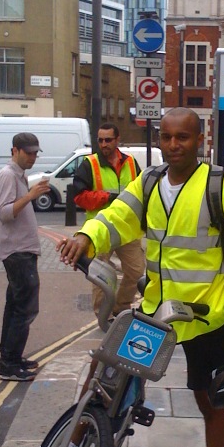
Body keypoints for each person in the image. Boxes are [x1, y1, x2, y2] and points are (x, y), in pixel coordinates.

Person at [60, 107, 224, 447]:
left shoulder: (221, 187)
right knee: (107, 371)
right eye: (167, 137)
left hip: (206, 315)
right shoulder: (150, 181)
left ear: (200, 140)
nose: (174, 145)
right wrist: (87, 235)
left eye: (183, 137)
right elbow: (117, 218)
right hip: (158, 308)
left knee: (210, 401)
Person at [0, 132, 51, 382]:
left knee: (15, 306)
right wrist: (30, 195)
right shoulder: (7, 175)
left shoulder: (18, 174)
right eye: (28, 153)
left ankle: (11, 357)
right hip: (16, 252)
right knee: (25, 308)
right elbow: (5, 213)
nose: (33, 157)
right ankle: (8, 364)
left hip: (22, 250)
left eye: (35, 153)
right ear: (14, 151)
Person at [73, 122, 145, 315]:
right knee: (101, 275)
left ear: (117, 140)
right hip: (101, 229)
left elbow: (141, 193)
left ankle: (121, 306)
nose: (104, 144)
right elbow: (79, 197)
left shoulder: (131, 163)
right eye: (100, 140)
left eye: (108, 140)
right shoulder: (90, 164)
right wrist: (107, 197)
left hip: (127, 228)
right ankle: (103, 314)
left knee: (136, 271)